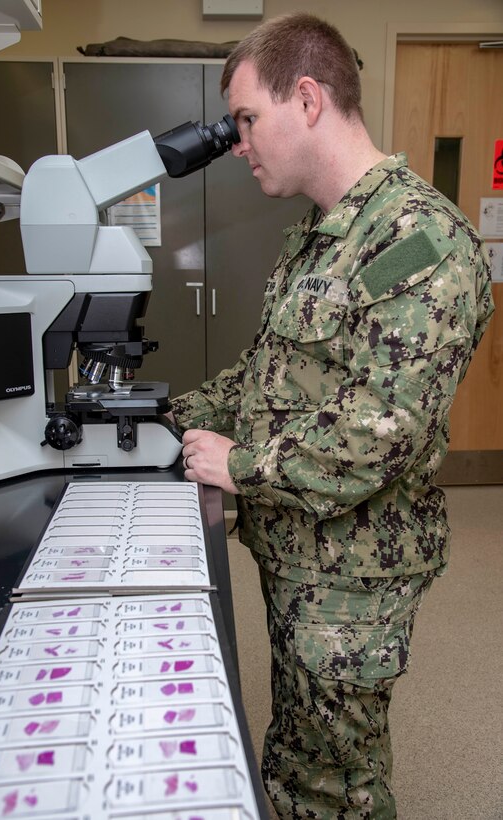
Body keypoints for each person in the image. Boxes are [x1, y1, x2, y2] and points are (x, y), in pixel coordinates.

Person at [170, 12, 494, 819]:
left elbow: (370, 438)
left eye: (246, 119)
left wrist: (235, 465)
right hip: (298, 554)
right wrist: (166, 415)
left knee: (335, 787)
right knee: (295, 761)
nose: (237, 144)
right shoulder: (321, 233)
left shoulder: (420, 243)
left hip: (352, 580)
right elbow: (269, 375)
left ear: (307, 99)